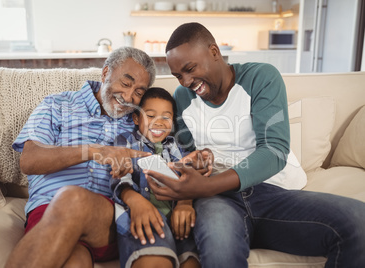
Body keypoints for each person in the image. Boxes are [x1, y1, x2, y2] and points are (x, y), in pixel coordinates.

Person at [145, 22, 365, 267]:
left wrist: (205, 187)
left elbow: (274, 151)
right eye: (178, 76)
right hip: (219, 201)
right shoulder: (182, 98)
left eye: (189, 69)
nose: (185, 81)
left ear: (214, 52)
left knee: (359, 222)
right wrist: (192, 182)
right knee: (220, 253)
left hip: (275, 193)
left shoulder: (261, 77)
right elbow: (189, 154)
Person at [6, 47, 156, 268]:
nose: (128, 97)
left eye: (139, 92)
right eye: (125, 83)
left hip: (106, 222)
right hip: (47, 210)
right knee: (76, 261)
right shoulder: (57, 105)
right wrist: (93, 151)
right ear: (105, 73)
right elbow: (29, 160)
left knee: (73, 199)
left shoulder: (138, 122)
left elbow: (158, 166)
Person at [110, 87, 203, 268]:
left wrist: (185, 203)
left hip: (176, 218)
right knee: (155, 254)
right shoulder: (126, 141)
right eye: (150, 116)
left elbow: (187, 175)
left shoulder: (174, 145)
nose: (159, 123)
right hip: (141, 216)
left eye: (166, 117)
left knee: (191, 261)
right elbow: (120, 179)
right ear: (136, 118)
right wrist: (133, 199)